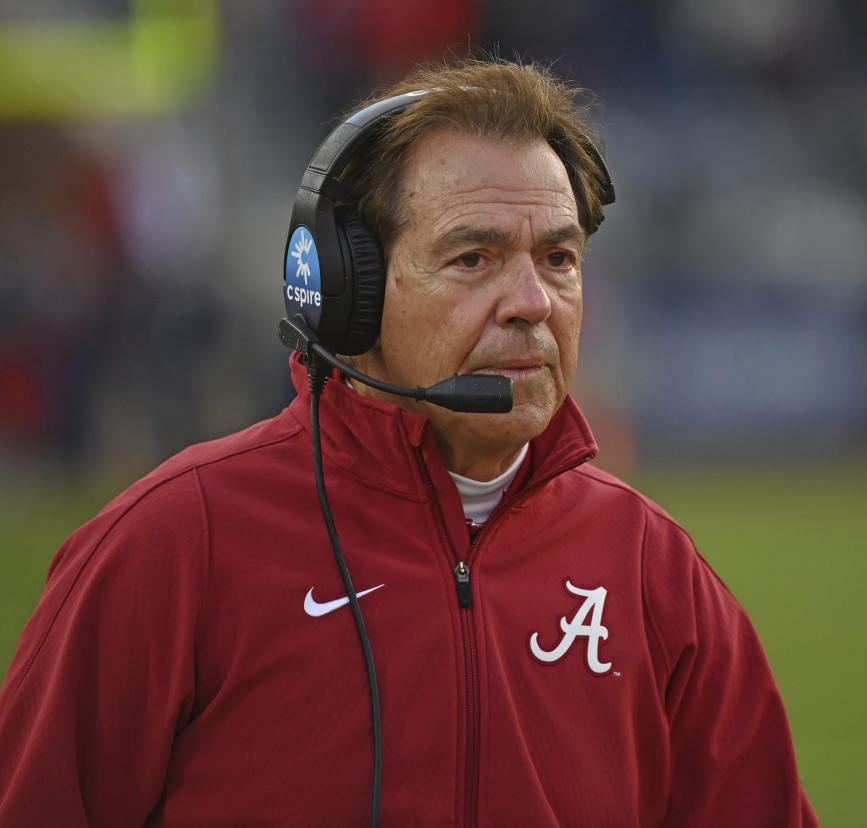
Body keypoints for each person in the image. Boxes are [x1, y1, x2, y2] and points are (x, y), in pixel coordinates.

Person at [0, 58, 818, 826]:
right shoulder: (171, 546)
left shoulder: (655, 574)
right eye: (474, 257)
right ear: (346, 293)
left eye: (559, 257)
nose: (532, 302)